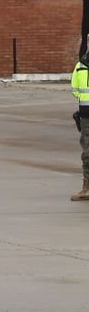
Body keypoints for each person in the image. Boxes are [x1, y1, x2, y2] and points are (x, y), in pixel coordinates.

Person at [71, 50, 89, 201]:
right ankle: (86, 188)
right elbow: (75, 89)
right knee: (87, 152)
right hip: (85, 115)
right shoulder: (80, 66)